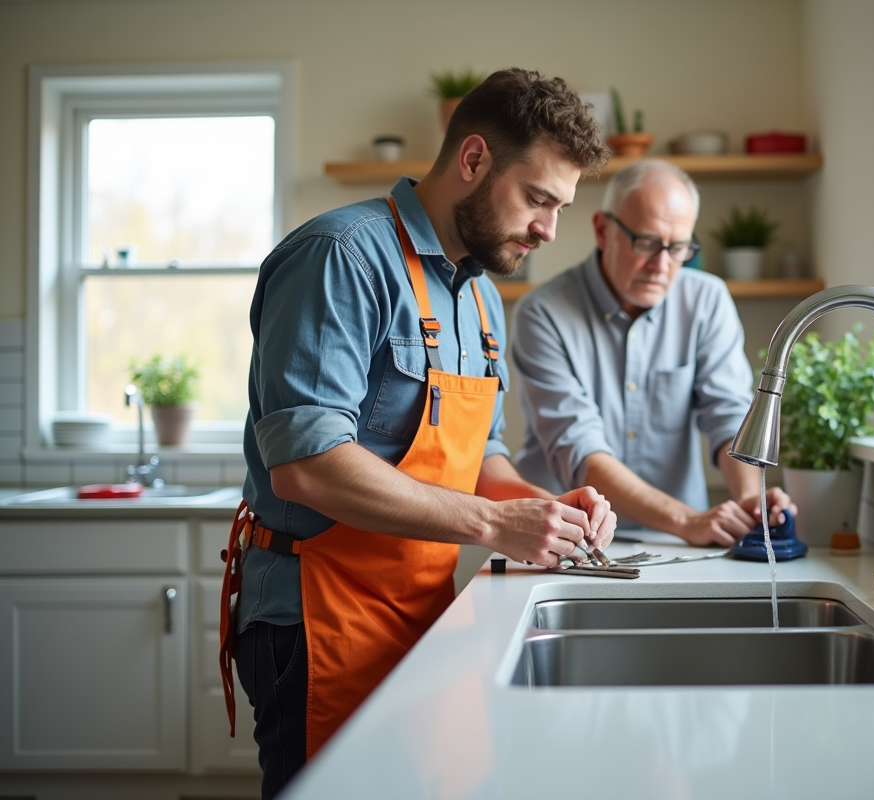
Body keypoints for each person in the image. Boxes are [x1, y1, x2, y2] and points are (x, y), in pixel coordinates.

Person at [218, 68, 615, 799]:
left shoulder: (484, 296)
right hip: (316, 621)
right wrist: (498, 522)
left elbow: (480, 457)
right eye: (537, 198)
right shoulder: (340, 257)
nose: (548, 229)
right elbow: (306, 466)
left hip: (423, 615)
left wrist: (549, 511)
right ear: (472, 160)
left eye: (561, 207)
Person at [511, 159, 795, 547]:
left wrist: (750, 500)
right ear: (602, 230)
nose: (661, 265)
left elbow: (728, 415)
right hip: (569, 541)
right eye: (646, 242)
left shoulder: (707, 301)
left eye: (678, 248)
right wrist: (686, 519)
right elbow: (578, 447)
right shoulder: (543, 313)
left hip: (681, 542)